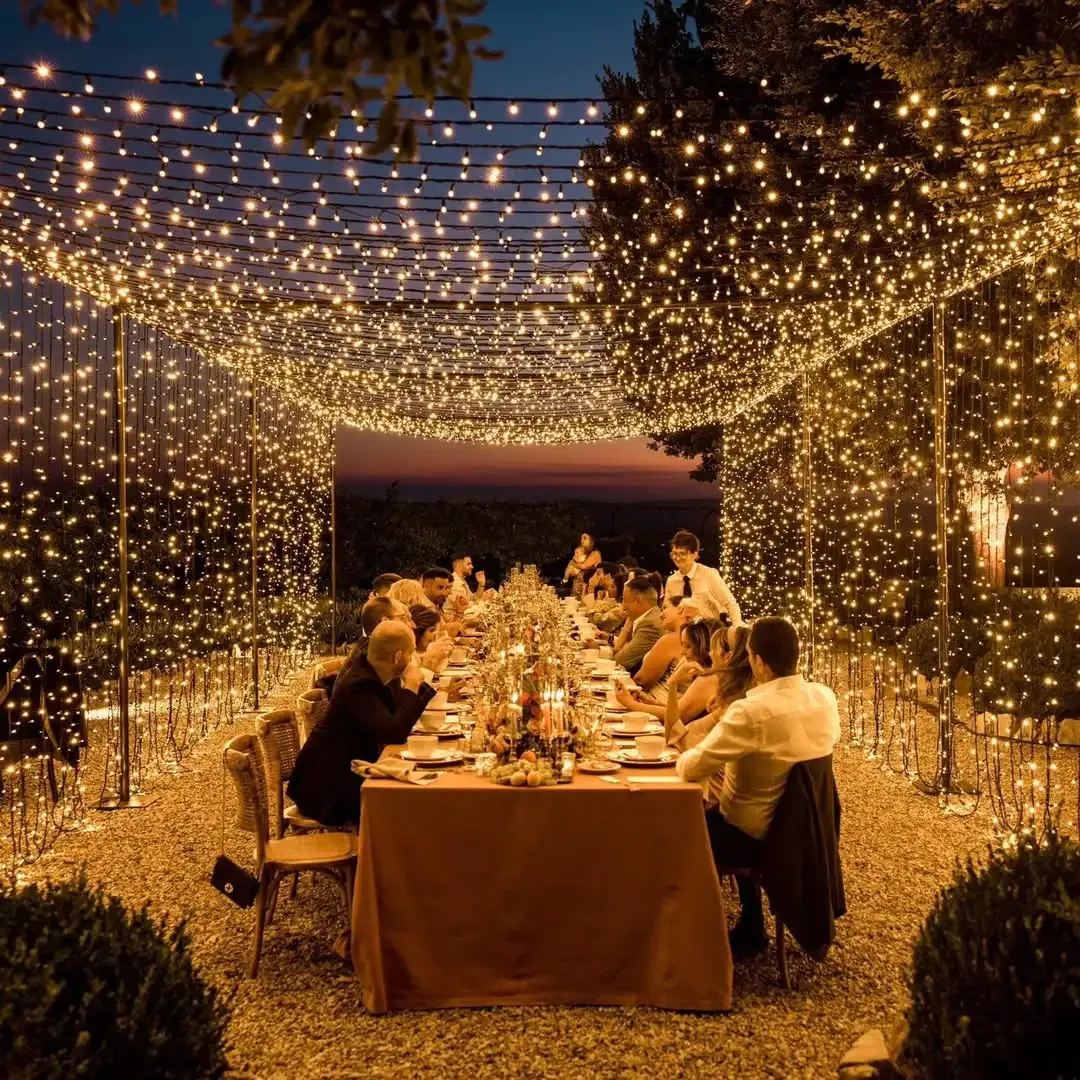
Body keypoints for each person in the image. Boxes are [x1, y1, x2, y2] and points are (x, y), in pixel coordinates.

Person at [675, 617, 840, 956]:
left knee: (674, 824)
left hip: (749, 836)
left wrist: (718, 730)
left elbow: (691, 767)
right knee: (735, 804)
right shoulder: (824, 699)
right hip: (805, 830)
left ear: (759, 662)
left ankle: (679, 930)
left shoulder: (750, 712)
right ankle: (751, 921)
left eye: (749, 656)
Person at [288, 621, 435, 828]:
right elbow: (393, 734)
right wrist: (411, 685)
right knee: (410, 802)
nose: (412, 661)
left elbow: (397, 716)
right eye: (410, 654)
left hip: (345, 772)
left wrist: (420, 685)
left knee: (413, 794)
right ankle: (385, 857)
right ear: (398, 657)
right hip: (326, 787)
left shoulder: (376, 675)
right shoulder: (360, 685)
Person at [615, 614, 719, 725]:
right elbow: (677, 710)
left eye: (688, 646)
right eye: (682, 645)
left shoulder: (709, 679)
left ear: (704, 646)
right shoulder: (701, 671)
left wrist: (631, 704)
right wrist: (649, 701)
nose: (682, 652)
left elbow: (677, 717)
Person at [667, 621, 753, 750]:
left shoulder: (729, 707)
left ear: (727, 656)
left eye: (713, 649)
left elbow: (675, 738)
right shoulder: (741, 694)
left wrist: (672, 683)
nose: (710, 653)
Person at [620, 594, 701, 700]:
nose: (660, 614)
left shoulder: (671, 640)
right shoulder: (693, 639)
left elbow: (642, 680)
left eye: (665, 608)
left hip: (654, 701)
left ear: (680, 609)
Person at [665, 530, 741, 624]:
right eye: (674, 554)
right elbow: (667, 609)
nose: (677, 558)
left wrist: (737, 626)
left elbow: (730, 603)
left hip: (709, 629)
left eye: (682, 553)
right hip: (682, 631)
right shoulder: (671, 580)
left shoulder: (708, 574)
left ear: (695, 554)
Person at [611, 576, 663, 676]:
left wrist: (600, 652)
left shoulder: (650, 625)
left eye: (625, 601)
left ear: (638, 600)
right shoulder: (647, 617)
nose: (624, 607)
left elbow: (621, 661)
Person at [410, 603, 453, 672]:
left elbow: (438, 671)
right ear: (417, 632)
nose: (435, 634)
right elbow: (419, 680)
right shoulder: (410, 657)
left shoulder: (424, 653)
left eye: (437, 630)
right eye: (432, 630)